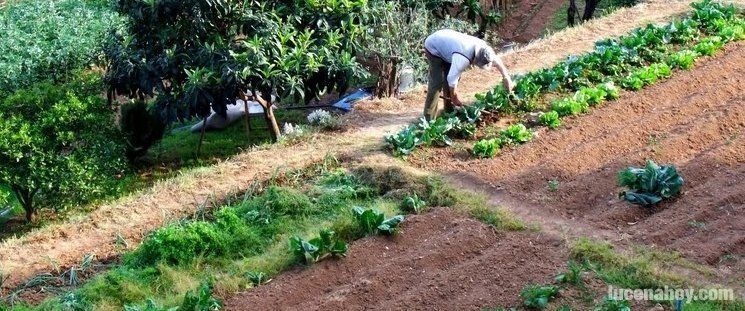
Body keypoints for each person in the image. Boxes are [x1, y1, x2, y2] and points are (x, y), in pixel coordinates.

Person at [423, 29, 515, 120]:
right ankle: (429, 119)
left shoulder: (485, 50)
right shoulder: (463, 59)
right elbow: (452, 79)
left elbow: (497, 61)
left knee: (450, 82)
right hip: (434, 46)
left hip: (449, 46)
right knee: (436, 83)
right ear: (476, 60)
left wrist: (506, 77)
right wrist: (454, 97)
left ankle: (448, 111)